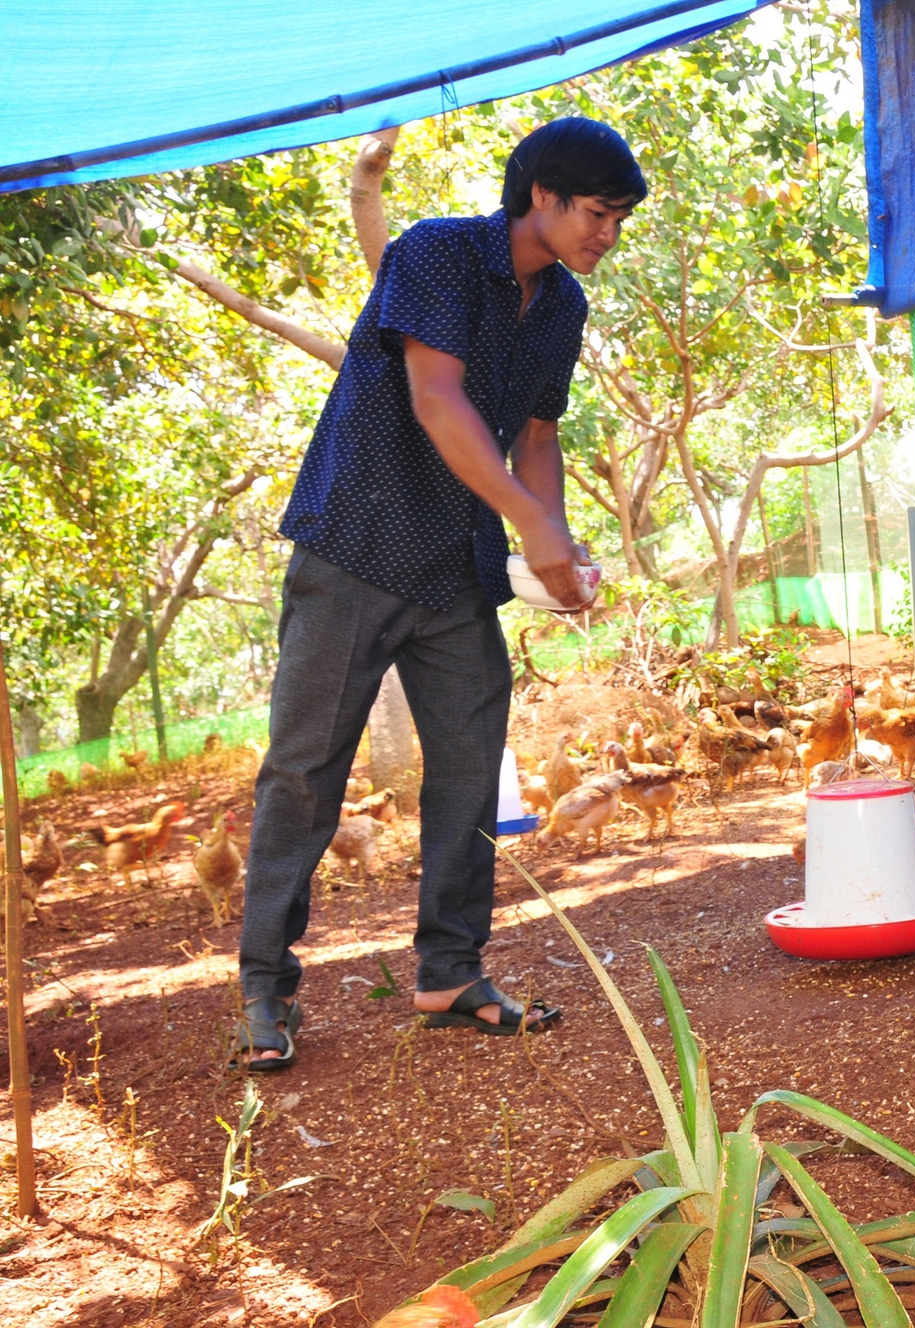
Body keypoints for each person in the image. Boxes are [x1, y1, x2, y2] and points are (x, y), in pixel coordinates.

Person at [234, 118, 646, 1071]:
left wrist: (557, 550)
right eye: (596, 212)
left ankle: (451, 973)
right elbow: (437, 397)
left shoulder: (562, 308)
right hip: (355, 544)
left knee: (470, 765)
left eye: (619, 219)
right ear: (539, 194)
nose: (607, 234)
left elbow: (535, 438)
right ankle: (265, 989)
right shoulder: (437, 253)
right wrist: (532, 524)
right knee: (306, 769)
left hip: (455, 565)